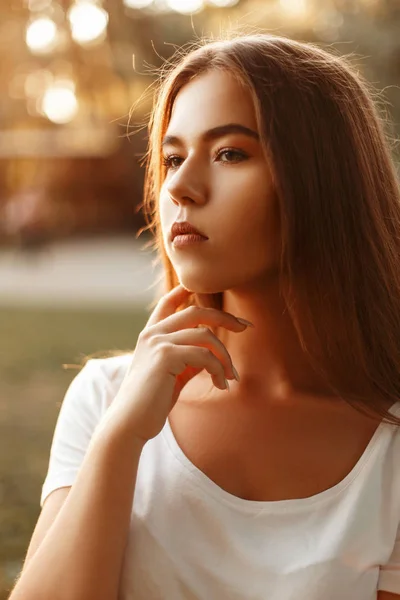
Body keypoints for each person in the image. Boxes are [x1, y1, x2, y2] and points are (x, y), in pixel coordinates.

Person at [9, 33, 400, 600]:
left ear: (322, 180)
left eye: (230, 153)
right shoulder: (106, 399)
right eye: (171, 158)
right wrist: (121, 440)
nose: (180, 187)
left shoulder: (388, 446)